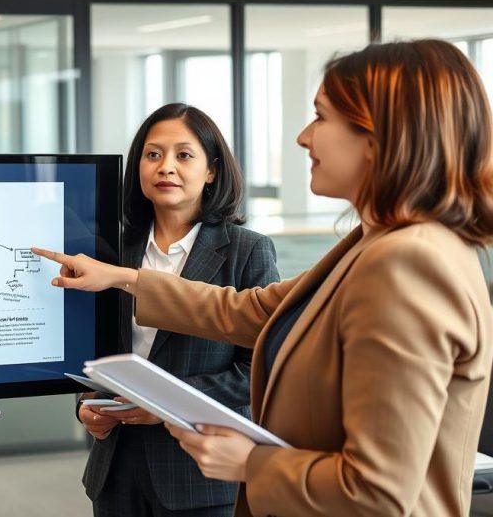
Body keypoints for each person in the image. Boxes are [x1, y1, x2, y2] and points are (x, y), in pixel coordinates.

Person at [35, 39, 493, 516]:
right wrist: (125, 277)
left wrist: (252, 463)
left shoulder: (408, 264)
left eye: (321, 117)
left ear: (382, 137)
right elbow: (250, 309)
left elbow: (379, 489)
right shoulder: (374, 245)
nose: (303, 137)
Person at [78, 103, 278, 517]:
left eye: (184, 155)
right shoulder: (111, 250)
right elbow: (90, 353)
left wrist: (169, 404)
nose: (165, 167)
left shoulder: (247, 251)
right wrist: (87, 405)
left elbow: (261, 367)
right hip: (116, 467)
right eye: (153, 154)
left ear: (212, 171)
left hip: (199, 472)